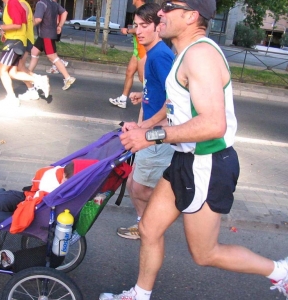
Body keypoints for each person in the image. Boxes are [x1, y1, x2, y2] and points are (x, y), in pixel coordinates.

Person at [100, 1, 288, 299]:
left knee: (205, 253)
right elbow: (173, 104)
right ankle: (140, 294)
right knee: (149, 229)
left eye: (168, 7)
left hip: (207, 162)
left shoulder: (201, 55)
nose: (160, 12)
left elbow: (214, 124)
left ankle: (281, 272)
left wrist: (152, 138)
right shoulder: (184, 52)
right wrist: (144, 127)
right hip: (185, 158)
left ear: (191, 16)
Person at [116, 3, 174, 240]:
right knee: (133, 183)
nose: (138, 31)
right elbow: (161, 90)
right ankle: (145, 224)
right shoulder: (152, 54)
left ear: (158, 27)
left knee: (139, 188)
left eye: (144, 25)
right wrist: (144, 95)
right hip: (151, 131)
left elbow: (174, 100)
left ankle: (155, 223)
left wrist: (147, 127)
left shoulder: (160, 55)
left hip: (158, 134)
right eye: (136, 25)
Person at [0, 159, 98, 246]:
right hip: (33, 201)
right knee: (2, 198)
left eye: (65, 180)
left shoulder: (72, 191)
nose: (62, 180)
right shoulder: (66, 181)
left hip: (37, 214)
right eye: (63, 177)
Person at [0, 0, 50, 106]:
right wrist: (5, 31)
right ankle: (30, 89)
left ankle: (38, 81)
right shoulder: (15, 3)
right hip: (19, 40)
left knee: (2, 70)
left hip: (16, 40)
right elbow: (21, 22)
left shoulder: (14, 3)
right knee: (13, 72)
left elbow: (18, 25)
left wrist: (0, 27)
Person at [28, 0, 76, 92]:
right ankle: (28, 74)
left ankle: (68, 78)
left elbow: (38, 19)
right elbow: (65, 12)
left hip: (46, 35)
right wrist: (60, 26)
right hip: (45, 35)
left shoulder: (41, 3)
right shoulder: (54, 4)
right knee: (34, 52)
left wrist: (27, 27)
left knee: (52, 56)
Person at [109, 0, 146, 109]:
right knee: (129, 72)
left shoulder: (144, 10)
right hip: (137, 47)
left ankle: (153, 101)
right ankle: (123, 99)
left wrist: (128, 31)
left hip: (143, 48)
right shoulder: (139, 10)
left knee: (143, 78)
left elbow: (142, 28)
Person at [45, 0, 68, 75]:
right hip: (51, 30)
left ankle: (60, 64)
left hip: (51, 31)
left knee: (50, 53)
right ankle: (56, 65)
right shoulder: (55, 5)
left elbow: (62, 14)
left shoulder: (54, 5)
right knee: (51, 51)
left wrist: (59, 25)